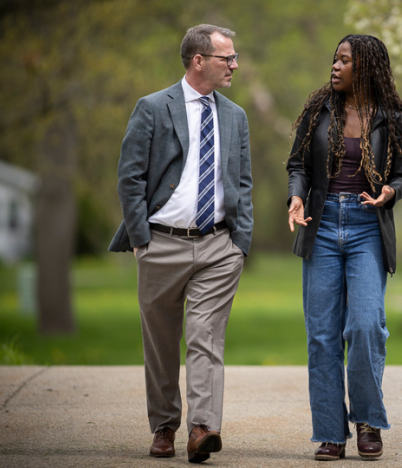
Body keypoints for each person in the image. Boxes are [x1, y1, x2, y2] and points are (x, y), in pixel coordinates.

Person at [108, 24, 252, 464]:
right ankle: (165, 426)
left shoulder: (236, 116)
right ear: (198, 61)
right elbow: (130, 177)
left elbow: (242, 182)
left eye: (234, 57)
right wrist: (141, 239)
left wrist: (240, 241)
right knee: (162, 341)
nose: (234, 65)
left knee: (206, 338)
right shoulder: (152, 107)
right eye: (226, 58)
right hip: (161, 243)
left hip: (218, 246)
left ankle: (203, 428)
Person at [286, 34, 402, 461]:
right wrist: (296, 196)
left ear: (366, 68)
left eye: (345, 60)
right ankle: (329, 432)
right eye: (334, 59)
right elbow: (298, 166)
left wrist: (390, 193)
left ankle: (367, 420)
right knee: (322, 337)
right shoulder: (318, 112)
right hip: (322, 226)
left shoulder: (395, 119)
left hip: (367, 227)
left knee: (365, 327)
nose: (336, 66)